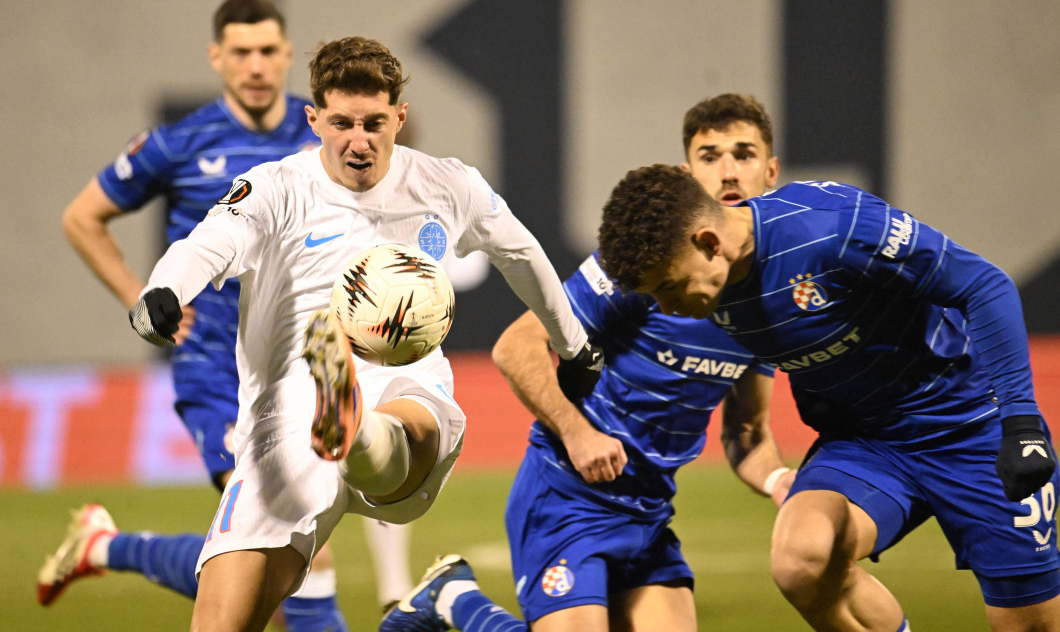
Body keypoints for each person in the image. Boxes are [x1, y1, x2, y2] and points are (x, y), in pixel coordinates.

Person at [125, 35, 600, 632]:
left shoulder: (447, 185)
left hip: (404, 385)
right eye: (343, 123)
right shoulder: (275, 188)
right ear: (314, 119)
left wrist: (573, 344)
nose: (359, 140)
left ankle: (357, 430)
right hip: (289, 411)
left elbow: (521, 253)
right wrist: (164, 291)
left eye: (375, 123)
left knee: (410, 423)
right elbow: (207, 245)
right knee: (224, 621)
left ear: (400, 117)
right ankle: (350, 426)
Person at [380, 94, 796, 631]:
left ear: (771, 171)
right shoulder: (646, 267)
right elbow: (517, 346)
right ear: (689, 171)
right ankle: (457, 603)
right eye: (710, 156)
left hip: (648, 514)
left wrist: (780, 480)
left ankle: (453, 597)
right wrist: (578, 434)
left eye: (743, 154)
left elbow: (747, 432)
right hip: (568, 499)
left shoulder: (766, 302)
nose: (728, 171)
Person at [594, 164, 1060, 631]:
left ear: (710, 243)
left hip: (968, 426)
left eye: (669, 288)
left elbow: (984, 285)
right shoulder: (708, 287)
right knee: (803, 560)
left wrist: (1021, 424)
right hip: (868, 441)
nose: (668, 308)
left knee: (1029, 624)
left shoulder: (833, 226)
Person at [40, 0, 373, 628]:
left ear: (287, 54)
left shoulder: (320, 136)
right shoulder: (179, 144)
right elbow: (82, 218)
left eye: (268, 51)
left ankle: (104, 546)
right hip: (216, 369)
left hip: (300, 365)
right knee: (293, 543)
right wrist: (141, 295)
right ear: (217, 57)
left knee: (268, 570)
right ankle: (106, 547)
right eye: (241, 52)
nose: (256, 66)